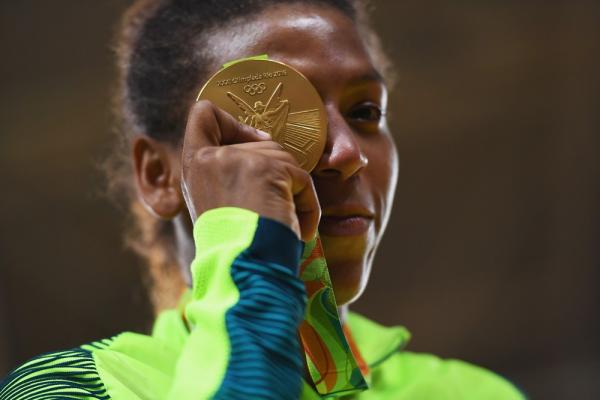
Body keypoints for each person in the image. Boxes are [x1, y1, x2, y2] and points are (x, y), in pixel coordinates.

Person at [0, 0, 526, 399]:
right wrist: (254, 260)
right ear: (160, 174)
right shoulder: (73, 388)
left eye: (365, 112)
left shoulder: (477, 393)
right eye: (269, 118)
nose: (346, 153)